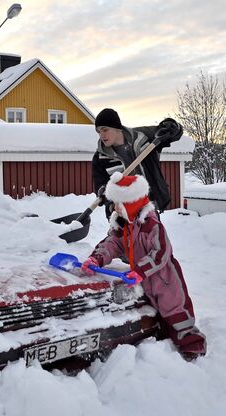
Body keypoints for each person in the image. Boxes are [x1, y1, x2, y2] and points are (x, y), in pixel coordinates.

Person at [81, 171, 207, 361]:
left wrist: (140, 271)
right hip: (144, 278)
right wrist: (96, 259)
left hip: (165, 278)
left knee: (176, 311)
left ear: (130, 202)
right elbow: (112, 244)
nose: (114, 207)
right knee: (156, 312)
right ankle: (166, 338)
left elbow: (160, 252)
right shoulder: (124, 225)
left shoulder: (151, 225)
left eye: (118, 203)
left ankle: (193, 347)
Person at [92, 108, 183, 218]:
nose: (101, 135)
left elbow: (171, 133)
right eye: (99, 132)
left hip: (150, 206)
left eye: (105, 130)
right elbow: (101, 185)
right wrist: (109, 202)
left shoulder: (142, 137)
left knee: (154, 235)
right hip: (123, 213)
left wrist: (171, 126)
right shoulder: (100, 157)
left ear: (117, 128)